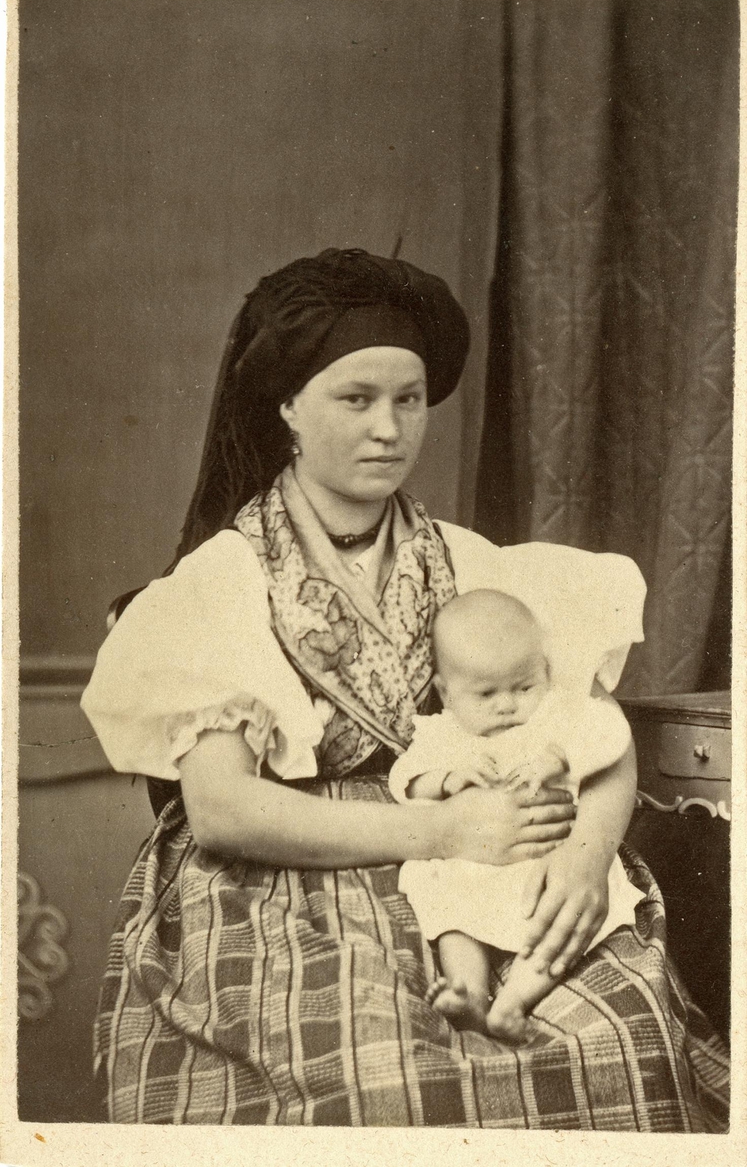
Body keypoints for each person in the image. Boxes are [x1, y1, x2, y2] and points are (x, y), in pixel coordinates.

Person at [82, 247, 728, 1129]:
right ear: (287, 408)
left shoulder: (474, 565)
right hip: (288, 877)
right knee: (370, 1073)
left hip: (500, 862)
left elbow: (596, 736)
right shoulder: (224, 580)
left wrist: (583, 861)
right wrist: (443, 828)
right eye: (356, 400)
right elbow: (224, 809)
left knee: (612, 1037)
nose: (388, 429)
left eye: (408, 400)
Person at [390, 589, 647, 1043]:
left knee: (563, 919)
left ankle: (513, 1003)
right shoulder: (444, 733)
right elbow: (405, 779)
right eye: (486, 694)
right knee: (442, 896)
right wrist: (447, 779)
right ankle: (468, 990)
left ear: (544, 672)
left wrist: (562, 758)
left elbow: (612, 734)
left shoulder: (557, 717)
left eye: (524, 687)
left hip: (548, 859)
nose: (507, 705)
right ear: (445, 693)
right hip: (473, 864)